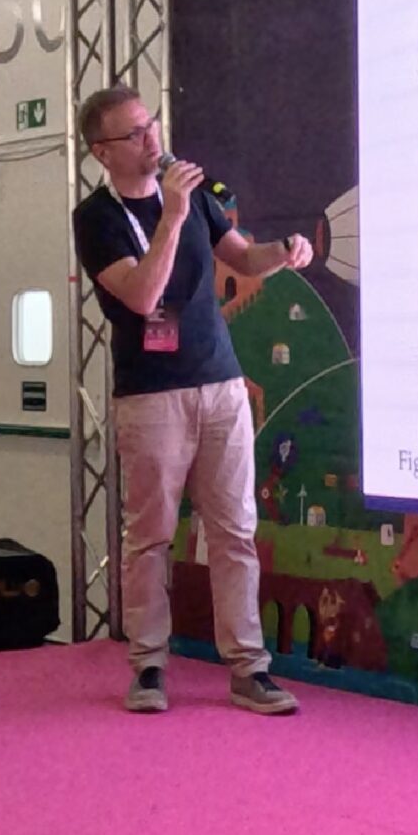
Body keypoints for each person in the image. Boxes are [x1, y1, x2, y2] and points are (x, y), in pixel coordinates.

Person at [71, 85, 314, 715]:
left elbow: (244, 258)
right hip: (152, 396)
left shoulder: (195, 194)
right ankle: (149, 665)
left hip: (221, 384)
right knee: (150, 536)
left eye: (151, 123)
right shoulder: (96, 218)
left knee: (235, 530)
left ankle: (249, 669)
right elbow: (143, 297)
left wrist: (285, 252)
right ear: (102, 152)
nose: (152, 138)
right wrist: (172, 216)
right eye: (134, 133)